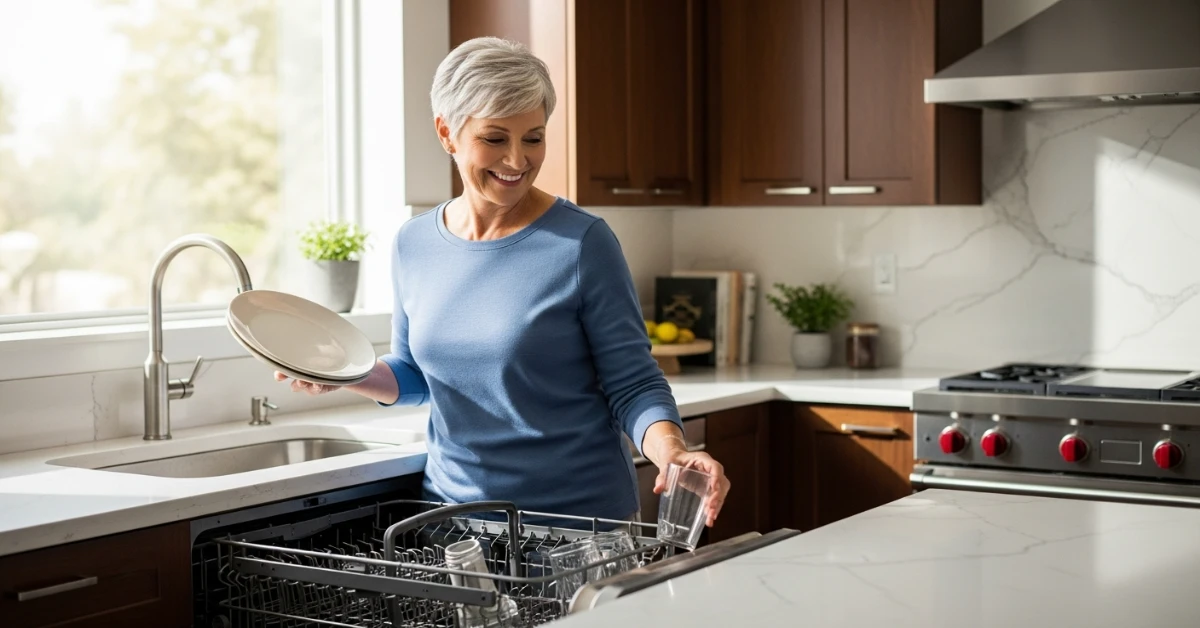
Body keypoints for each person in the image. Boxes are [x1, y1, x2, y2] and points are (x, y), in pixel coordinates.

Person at [276, 37, 730, 527]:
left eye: (533, 138)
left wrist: (672, 451)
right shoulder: (414, 244)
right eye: (495, 138)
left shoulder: (582, 243)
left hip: (577, 528)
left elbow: (633, 383)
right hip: (455, 522)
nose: (517, 161)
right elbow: (415, 374)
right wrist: (342, 372)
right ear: (447, 133)